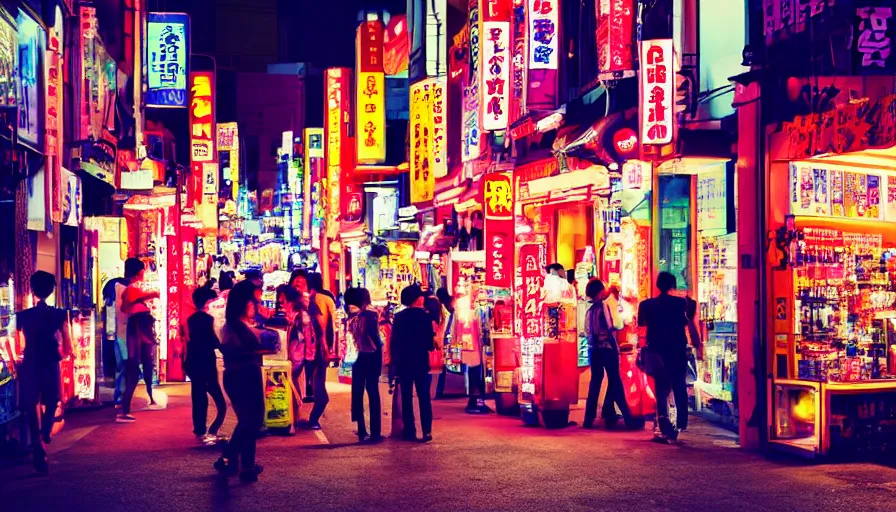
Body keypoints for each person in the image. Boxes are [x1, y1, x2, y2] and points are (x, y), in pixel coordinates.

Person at [214, 280, 271, 482]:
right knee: (251, 421)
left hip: (239, 375)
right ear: (244, 303)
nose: (256, 306)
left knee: (248, 422)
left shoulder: (234, 326)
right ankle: (228, 457)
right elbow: (238, 350)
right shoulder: (233, 327)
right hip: (244, 375)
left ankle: (246, 466)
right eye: (253, 302)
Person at [16, 271, 71, 473]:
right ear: (51, 290)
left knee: (31, 405)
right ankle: (45, 434)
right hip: (50, 362)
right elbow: (67, 344)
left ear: (32, 289)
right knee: (52, 399)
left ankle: (37, 445)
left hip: (30, 363)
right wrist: (66, 354)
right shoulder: (58, 314)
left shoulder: (23, 316)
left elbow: (18, 344)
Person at [637, 272, 702, 441]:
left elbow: (641, 329)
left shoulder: (646, 305)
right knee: (679, 384)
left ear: (657, 285)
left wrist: (641, 349)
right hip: (677, 348)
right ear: (673, 285)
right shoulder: (683, 304)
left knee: (660, 387)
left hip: (657, 349)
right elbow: (689, 323)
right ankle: (681, 422)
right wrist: (697, 343)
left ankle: (663, 421)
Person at [582, 278, 633, 429]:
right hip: (607, 348)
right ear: (600, 290)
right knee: (615, 381)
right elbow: (617, 324)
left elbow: (585, 330)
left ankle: (588, 419)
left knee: (595, 382)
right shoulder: (606, 304)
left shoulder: (588, 309)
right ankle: (628, 418)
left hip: (593, 350)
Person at [117, 258, 161, 422]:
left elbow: (126, 306)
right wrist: (150, 295)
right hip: (138, 328)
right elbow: (127, 303)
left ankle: (148, 397)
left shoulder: (132, 289)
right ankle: (125, 409)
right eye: (143, 270)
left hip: (139, 328)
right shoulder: (131, 289)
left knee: (142, 365)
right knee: (135, 368)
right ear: (139, 272)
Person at [390, 284, 435, 442]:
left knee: (406, 398)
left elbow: (394, 342)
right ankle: (427, 431)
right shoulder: (425, 317)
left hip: (404, 363)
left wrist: (394, 363)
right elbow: (430, 344)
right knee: (424, 397)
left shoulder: (399, 317)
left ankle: (410, 431)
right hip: (421, 362)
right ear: (418, 299)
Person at [184, 286, 227, 445]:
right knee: (217, 400)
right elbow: (213, 340)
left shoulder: (192, 319)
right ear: (206, 302)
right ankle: (207, 431)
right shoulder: (206, 319)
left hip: (194, 362)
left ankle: (201, 430)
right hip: (204, 362)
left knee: (199, 396)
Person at [346, 287, 383, 443]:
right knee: (373, 393)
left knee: (358, 394)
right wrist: (381, 346)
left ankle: (362, 430)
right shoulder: (370, 316)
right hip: (371, 356)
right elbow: (375, 338)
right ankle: (375, 433)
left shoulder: (350, 317)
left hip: (356, 356)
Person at [279, 284, 313, 431]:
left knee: (291, 385)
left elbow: (305, 338)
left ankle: (293, 420)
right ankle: (294, 418)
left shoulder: (301, 316)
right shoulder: (292, 314)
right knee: (291, 385)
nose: (280, 301)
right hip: (292, 355)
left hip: (297, 355)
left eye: (282, 298)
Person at [303, 272, 336, 416]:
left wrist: (324, 348)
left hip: (316, 349)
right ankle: (312, 419)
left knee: (318, 385)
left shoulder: (318, 299)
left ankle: (313, 419)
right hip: (320, 347)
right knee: (317, 384)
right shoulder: (326, 297)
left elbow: (321, 326)